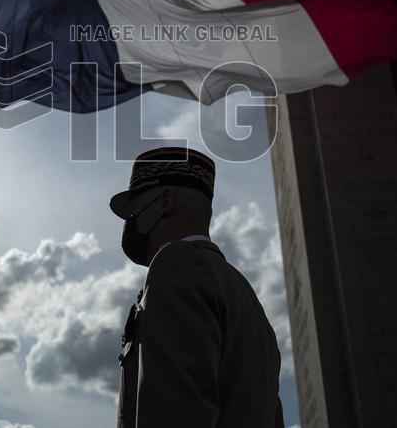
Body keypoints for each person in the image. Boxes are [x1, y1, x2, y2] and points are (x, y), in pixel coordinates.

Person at [110, 147, 285, 428]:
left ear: (165, 200)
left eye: (134, 210)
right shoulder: (247, 299)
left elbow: (175, 413)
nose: (130, 222)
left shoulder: (174, 264)